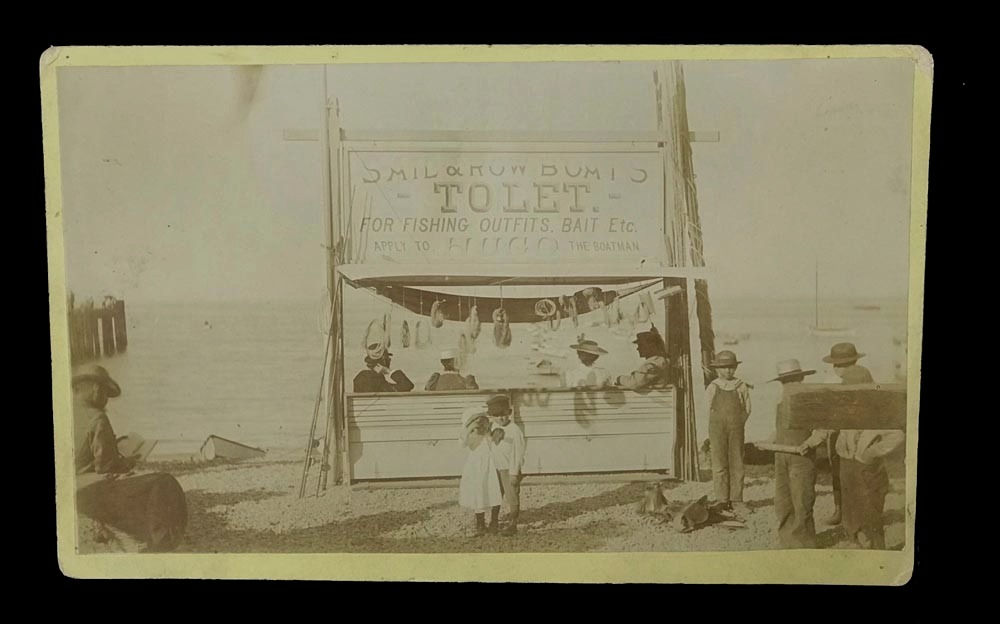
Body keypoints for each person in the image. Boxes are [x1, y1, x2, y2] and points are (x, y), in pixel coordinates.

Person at [73, 364, 187, 552]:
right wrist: (127, 461)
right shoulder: (98, 418)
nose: (106, 400)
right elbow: (106, 466)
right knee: (164, 482)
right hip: (88, 492)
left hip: (73, 486)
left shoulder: (65, 413)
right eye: (105, 394)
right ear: (96, 389)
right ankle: (162, 542)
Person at [820, 342, 874, 526]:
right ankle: (858, 512)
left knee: (839, 469)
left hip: (844, 431)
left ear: (838, 365)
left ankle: (841, 510)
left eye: (836, 365)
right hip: (864, 431)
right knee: (859, 471)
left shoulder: (845, 377)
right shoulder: (864, 372)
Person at [769, 359, 821, 548]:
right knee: (783, 501)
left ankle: (805, 545)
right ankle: (787, 542)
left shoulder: (811, 401)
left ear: (801, 379)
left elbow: (824, 428)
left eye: (793, 380)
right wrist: (769, 441)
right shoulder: (781, 400)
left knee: (802, 500)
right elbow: (779, 428)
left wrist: (810, 443)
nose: (789, 385)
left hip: (802, 457)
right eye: (785, 381)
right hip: (781, 456)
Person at [705, 350, 752, 516]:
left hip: (736, 429)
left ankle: (737, 500)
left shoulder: (741, 386)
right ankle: (721, 500)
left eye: (731, 367)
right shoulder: (713, 387)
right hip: (717, 429)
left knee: (737, 463)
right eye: (724, 368)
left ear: (735, 368)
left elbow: (747, 409)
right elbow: (708, 409)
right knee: (719, 464)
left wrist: (738, 424)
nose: (728, 371)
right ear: (717, 369)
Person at [458, 406, 503, 536]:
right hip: (475, 465)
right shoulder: (470, 433)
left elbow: (497, 439)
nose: (479, 422)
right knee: (478, 493)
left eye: (480, 419)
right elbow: (462, 444)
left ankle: (494, 521)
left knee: (494, 490)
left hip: (491, 463)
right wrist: (469, 430)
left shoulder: (490, 429)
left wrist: (492, 432)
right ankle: (480, 523)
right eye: (475, 420)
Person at [486, 395, 526, 536]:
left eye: (503, 415)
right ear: (491, 416)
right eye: (496, 416)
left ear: (508, 413)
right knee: (495, 495)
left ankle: (513, 523)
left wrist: (514, 472)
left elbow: (518, 453)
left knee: (512, 496)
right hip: (495, 468)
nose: (500, 418)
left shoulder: (514, 430)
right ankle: (494, 521)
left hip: (509, 469)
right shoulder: (492, 427)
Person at [615, 323, 669, 389]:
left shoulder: (653, 364)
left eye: (640, 345)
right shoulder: (659, 361)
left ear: (650, 346)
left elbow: (634, 383)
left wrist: (620, 379)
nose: (638, 348)